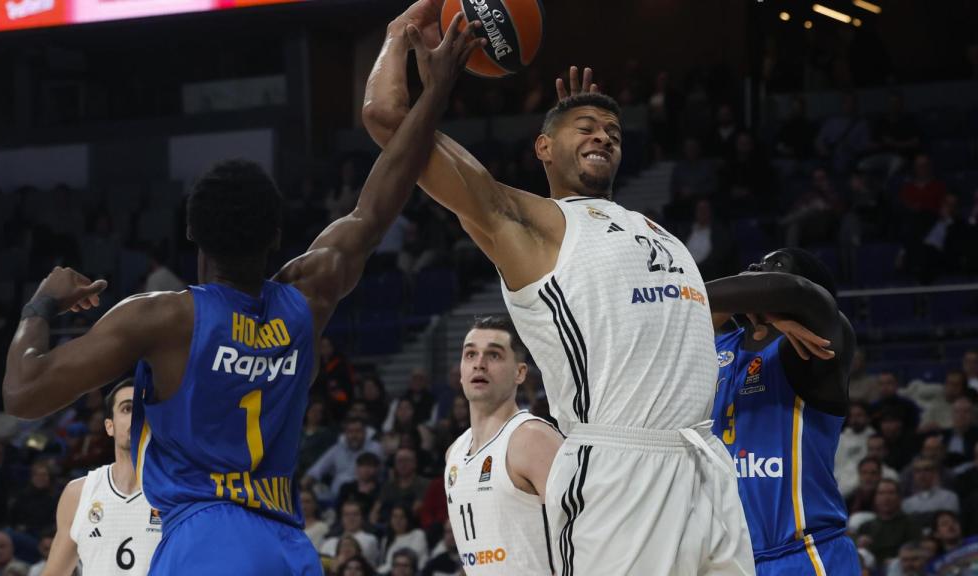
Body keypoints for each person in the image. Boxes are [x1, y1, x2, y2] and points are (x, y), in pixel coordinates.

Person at [1, 18, 483, 575]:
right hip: (286, 545)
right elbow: (376, 205)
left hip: (205, 539)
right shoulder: (311, 296)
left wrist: (41, 305)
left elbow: (22, 392)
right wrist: (439, 86)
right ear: (276, 236)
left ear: (193, 235)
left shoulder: (161, 318)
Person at [362, 2, 753, 572]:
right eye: (585, 128)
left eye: (613, 131)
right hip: (622, 475)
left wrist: (767, 306)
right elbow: (385, 118)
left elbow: (677, 317)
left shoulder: (652, 228)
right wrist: (402, 31)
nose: (603, 136)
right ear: (542, 149)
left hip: (704, 465)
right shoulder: (526, 224)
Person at [707, 248, 860, 575]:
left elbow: (798, 294)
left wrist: (689, 292)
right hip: (731, 559)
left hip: (804, 554)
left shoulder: (816, 346)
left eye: (774, 266)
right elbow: (683, 316)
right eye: (756, 263)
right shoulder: (718, 347)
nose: (754, 268)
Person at [444, 316, 561, 574]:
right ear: (461, 373)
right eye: (470, 355)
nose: (479, 364)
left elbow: (588, 531)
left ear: (520, 373)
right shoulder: (454, 453)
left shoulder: (531, 439)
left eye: (494, 355)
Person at [42, 380, 161, 575]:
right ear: (109, 426)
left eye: (145, 409)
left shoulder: (177, 492)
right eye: (128, 408)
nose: (138, 416)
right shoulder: (78, 493)